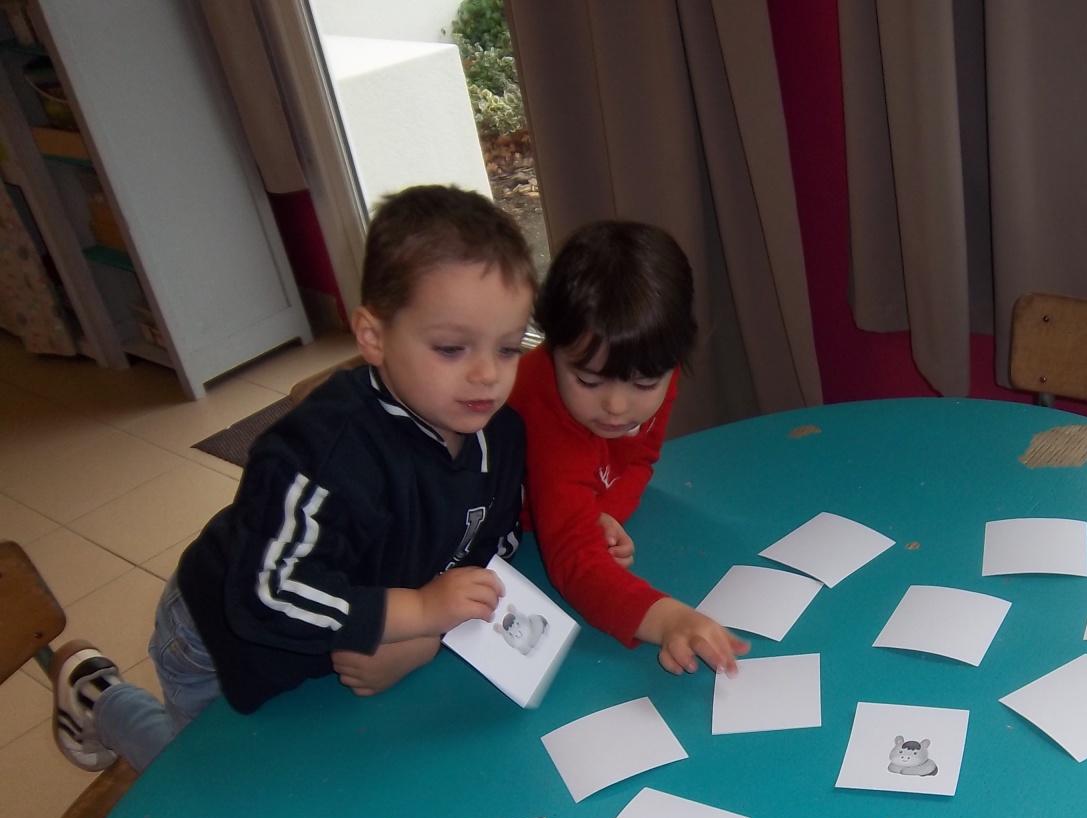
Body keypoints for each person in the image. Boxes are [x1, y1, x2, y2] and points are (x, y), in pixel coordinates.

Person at [52, 184, 535, 774]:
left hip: (348, 629)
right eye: (453, 348)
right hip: (225, 637)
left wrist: (424, 640)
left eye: (508, 348)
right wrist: (416, 613)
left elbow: (490, 548)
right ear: (373, 337)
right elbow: (266, 594)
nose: (487, 375)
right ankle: (100, 700)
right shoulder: (323, 447)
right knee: (212, 782)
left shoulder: (501, 435)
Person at [508, 220, 748, 676]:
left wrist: (606, 513)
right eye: (587, 381)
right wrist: (668, 618)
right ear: (552, 348)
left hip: (568, 508)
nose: (617, 407)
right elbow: (573, 560)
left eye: (643, 384)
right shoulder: (547, 415)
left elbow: (639, 459)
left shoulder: (652, 361)